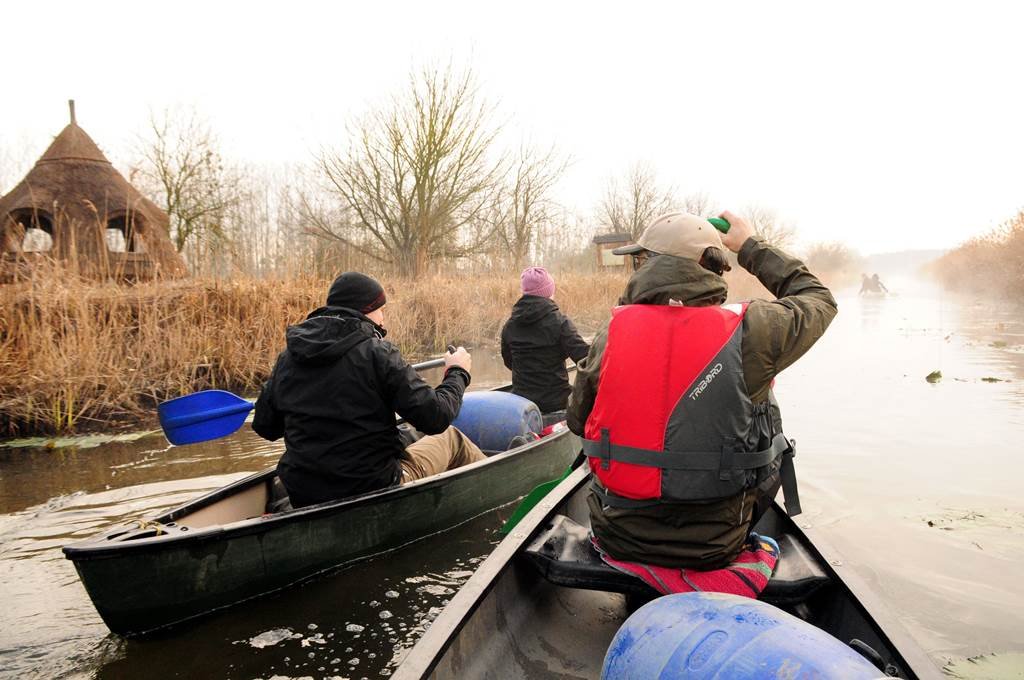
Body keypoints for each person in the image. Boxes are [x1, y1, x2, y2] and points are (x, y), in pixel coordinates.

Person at [567, 210, 837, 570]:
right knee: (768, 426)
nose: (638, 265)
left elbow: (576, 420)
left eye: (642, 259)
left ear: (650, 268)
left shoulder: (612, 331)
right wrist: (750, 247)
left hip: (618, 535)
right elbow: (819, 299)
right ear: (710, 266)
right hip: (715, 544)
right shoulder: (753, 329)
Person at [253, 272, 486, 508]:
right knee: (451, 438)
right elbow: (436, 418)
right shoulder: (378, 354)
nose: (383, 320)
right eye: (381, 310)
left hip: (305, 493)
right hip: (374, 488)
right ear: (367, 310)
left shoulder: (288, 359)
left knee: (405, 433)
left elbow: (266, 427)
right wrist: (457, 373)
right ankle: (503, 491)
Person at [500, 266, 590, 414]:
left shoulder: (510, 325)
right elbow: (585, 359)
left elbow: (509, 361)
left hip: (522, 403)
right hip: (557, 402)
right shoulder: (560, 322)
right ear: (548, 292)